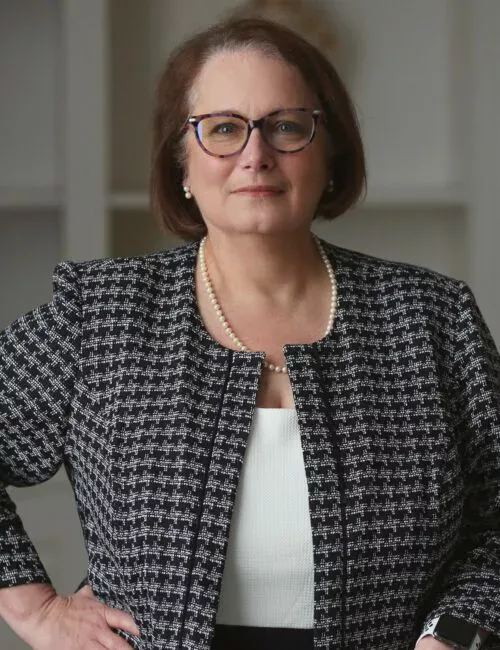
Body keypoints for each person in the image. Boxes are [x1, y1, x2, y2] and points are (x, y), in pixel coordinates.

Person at [0, 15, 499, 650]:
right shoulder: (102, 315)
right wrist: (35, 610)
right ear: (180, 161)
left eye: (287, 126)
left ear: (330, 153)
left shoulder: (431, 316)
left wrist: (457, 634)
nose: (254, 155)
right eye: (223, 129)